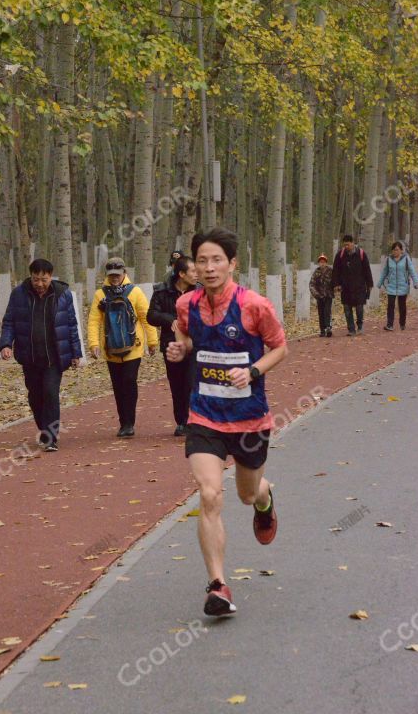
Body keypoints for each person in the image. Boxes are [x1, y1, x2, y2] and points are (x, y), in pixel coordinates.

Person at [167, 228, 287, 617]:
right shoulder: (186, 304)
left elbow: (280, 347)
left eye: (217, 259)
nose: (209, 267)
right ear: (193, 267)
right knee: (209, 494)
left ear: (233, 263)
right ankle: (218, 586)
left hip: (249, 418)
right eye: (201, 260)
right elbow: (184, 336)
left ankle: (265, 498)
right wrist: (178, 348)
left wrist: (252, 371)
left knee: (247, 495)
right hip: (204, 415)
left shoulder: (254, 305)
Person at [0, 259, 82, 452]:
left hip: (54, 357)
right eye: (36, 279)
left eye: (43, 279)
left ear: (51, 277)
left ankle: (51, 437)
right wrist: (5, 344)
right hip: (30, 356)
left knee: (51, 393)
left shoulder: (62, 294)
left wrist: (76, 352)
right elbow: (9, 321)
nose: (39, 284)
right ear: (31, 276)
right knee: (35, 396)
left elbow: (71, 323)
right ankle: (44, 431)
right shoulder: (19, 294)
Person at [87, 258, 158, 438]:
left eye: (117, 275)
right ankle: (123, 422)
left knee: (129, 381)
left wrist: (152, 342)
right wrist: (93, 344)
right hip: (111, 349)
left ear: (124, 273)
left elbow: (146, 318)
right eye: (111, 275)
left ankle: (129, 422)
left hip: (133, 347)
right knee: (118, 386)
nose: (114, 278)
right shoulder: (100, 295)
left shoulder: (135, 292)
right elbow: (94, 321)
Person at [147, 256, 198, 436]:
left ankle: (194, 420)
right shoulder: (162, 291)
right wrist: (171, 320)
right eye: (193, 271)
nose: (197, 274)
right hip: (172, 347)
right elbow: (151, 315)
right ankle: (181, 421)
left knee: (192, 383)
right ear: (181, 274)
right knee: (177, 385)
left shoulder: (200, 291)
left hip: (195, 346)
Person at [331, 234, 373, 336]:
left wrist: (370, 284)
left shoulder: (361, 254)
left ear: (353, 243)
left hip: (359, 286)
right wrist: (336, 284)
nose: (346, 247)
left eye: (348, 245)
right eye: (344, 245)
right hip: (345, 287)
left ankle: (360, 326)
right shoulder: (340, 255)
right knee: (347, 309)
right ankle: (351, 329)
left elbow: (367, 270)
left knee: (359, 308)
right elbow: (335, 270)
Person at [377, 241, 418, 330]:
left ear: (401, 250)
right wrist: (379, 283)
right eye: (393, 250)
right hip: (391, 286)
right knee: (390, 306)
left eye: (397, 250)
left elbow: (412, 271)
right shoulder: (389, 259)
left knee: (402, 306)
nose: (395, 252)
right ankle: (390, 324)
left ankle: (402, 323)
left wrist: (416, 282)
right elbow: (385, 272)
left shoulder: (406, 259)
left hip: (403, 286)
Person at [309, 253, 334, 337]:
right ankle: (322, 330)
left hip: (328, 295)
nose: (322, 263)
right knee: (321, 313)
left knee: (327, 311)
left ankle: (328, 328)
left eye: (324, 262)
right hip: (319, 297)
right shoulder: (316, 272)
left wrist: (336, 288)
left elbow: (335, 281)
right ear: (319, 263)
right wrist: (316, 294)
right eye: (320, 262)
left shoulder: (330, 271)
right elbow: (312, 284)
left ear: (326, 263)